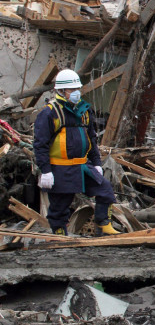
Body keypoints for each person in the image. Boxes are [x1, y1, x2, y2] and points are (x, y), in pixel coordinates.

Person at [33, 69, 119, 236]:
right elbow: (40, 145)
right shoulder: (50, 113)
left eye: (77, 89)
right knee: (60, 205)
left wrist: (96, 163)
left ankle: (103, 226)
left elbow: (91, 139)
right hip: (60, 168)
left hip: (82, 166)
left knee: (105, 190)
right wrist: (46, 171)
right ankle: (59, 235)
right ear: (60, 91)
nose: (76, 93)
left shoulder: (84, 111)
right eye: (71, 90)